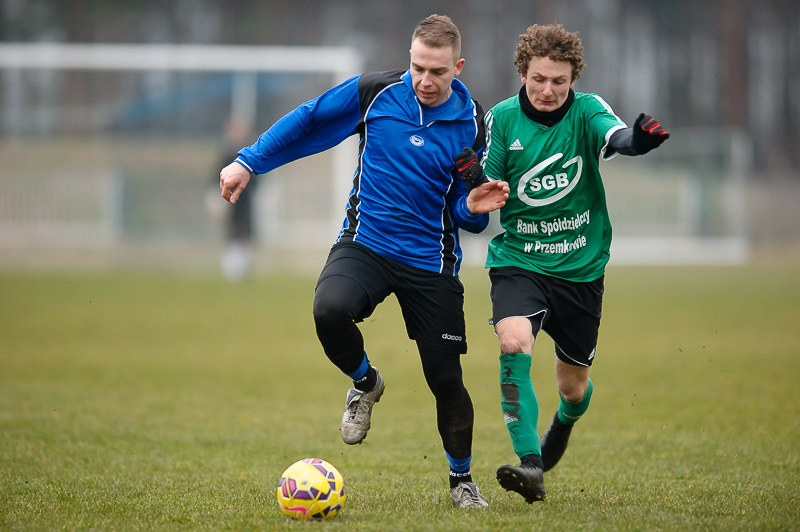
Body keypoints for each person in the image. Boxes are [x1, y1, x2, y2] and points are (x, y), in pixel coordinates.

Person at [218, 14, 509, 509]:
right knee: (328, 309)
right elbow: (309, 120)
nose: (425, 80)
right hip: (366, 244)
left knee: (446, 381)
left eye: (438, 71)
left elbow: (470, 214)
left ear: (457, 67)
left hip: (430, 261)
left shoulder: (473, 123)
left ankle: (462, 481)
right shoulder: (376, 93)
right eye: (418, 66)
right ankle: (365, 383)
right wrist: (248, 160)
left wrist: (475, 208)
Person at [470, 23, 669, 503]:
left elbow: (615, 135)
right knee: (513, 341)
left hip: (581, 268)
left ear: (573, 79)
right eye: (539, 79)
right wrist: (476, 185)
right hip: (519, 259)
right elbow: (487, 181)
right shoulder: (501, 119)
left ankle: (560, 426)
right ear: (522, 72)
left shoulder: (586, 110)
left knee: (573, 386)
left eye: (559, 81)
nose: (547, 90)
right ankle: (531, 465)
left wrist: (635, 142)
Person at [209, 117, 258, 282]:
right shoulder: (226, 155)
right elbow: (215, 178)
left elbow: (258, 179)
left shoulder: (251, 154)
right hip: (229, 200)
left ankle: (241, 269)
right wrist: (214, 198)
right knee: (231, 234)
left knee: (246, 233)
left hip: (246, 201)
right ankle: (232, 270)